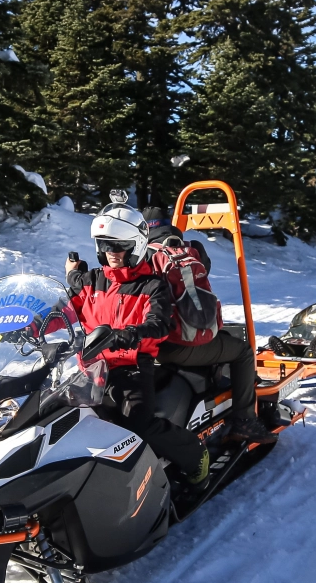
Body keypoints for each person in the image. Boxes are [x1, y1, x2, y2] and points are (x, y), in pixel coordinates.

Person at [67, 203, 211, 484]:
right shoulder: (92, 281)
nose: (112, 252)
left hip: (131, 366)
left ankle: (195, 454)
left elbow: (159, 323)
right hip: (90, 367)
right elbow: (64, 311)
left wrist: (129, 334)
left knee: (138, 423)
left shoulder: (151, 285)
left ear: (136, 246)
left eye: (119, 245)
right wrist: (29, 325)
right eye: (106, 244)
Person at [136, 207, 271, 447]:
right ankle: (245, 419)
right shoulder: (191, 249)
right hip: (178, 345)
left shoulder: (139, 255)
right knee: (242, 352)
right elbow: (204, 271)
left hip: (147, 344)